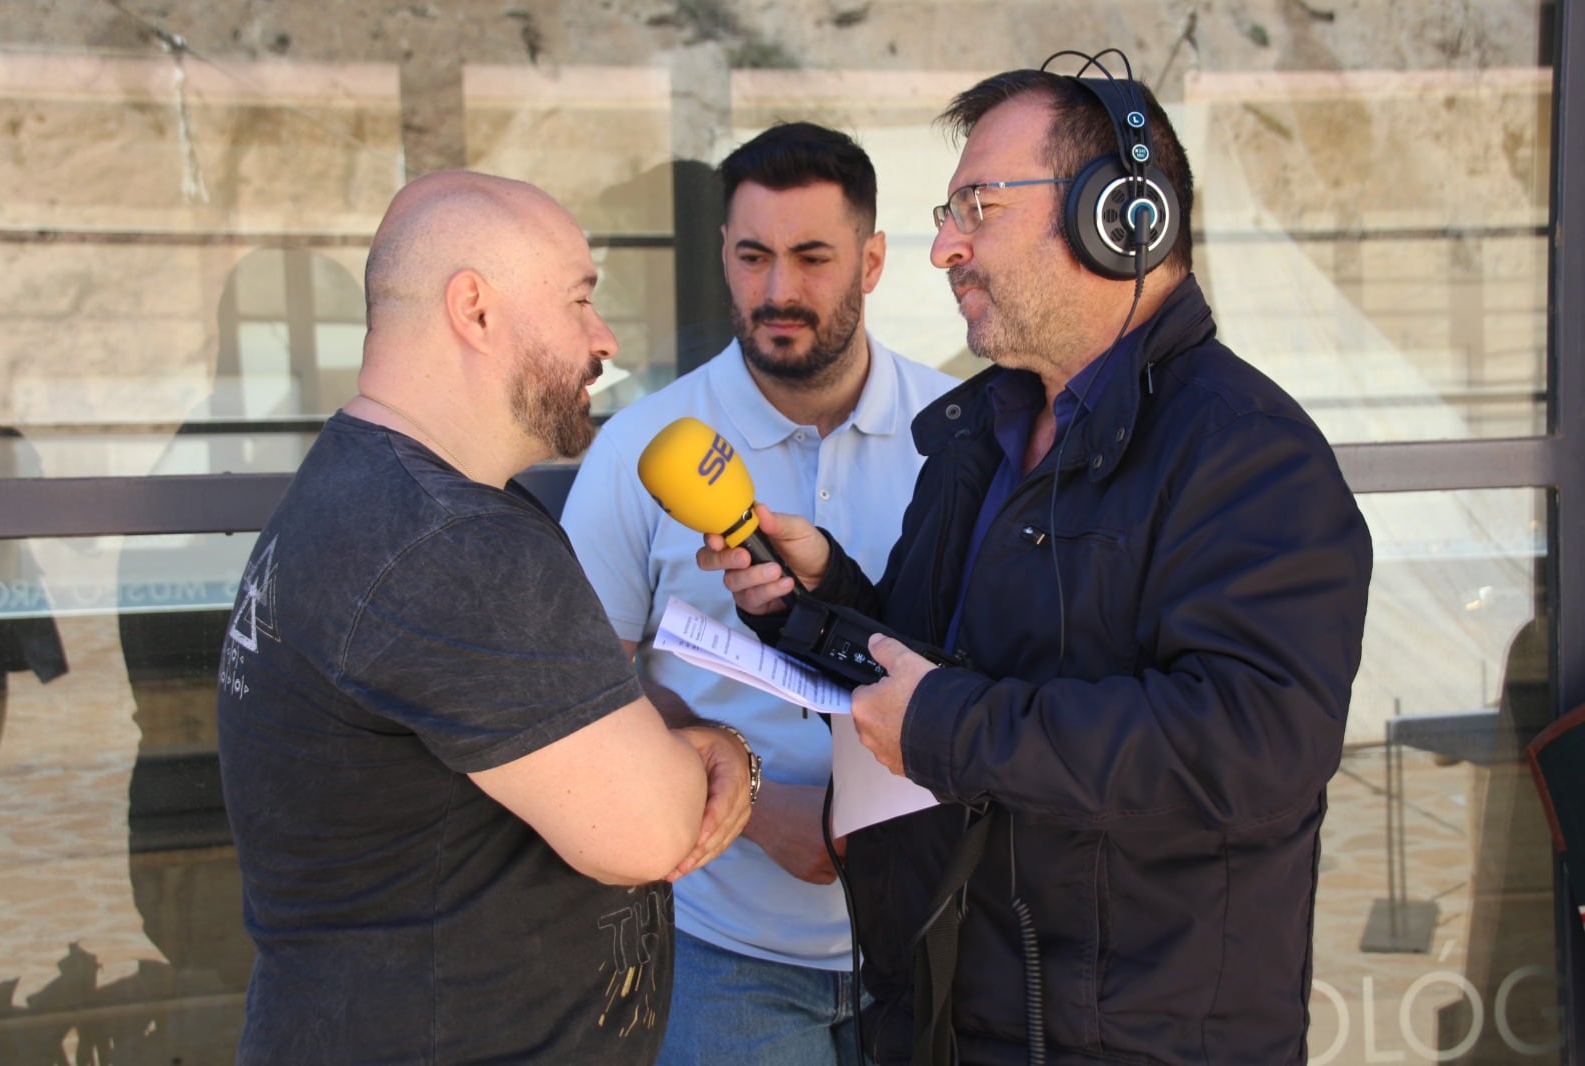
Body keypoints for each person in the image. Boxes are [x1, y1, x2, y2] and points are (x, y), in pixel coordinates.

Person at [702, 58, 1374, 1066]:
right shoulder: (985, 432)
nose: (942, 246)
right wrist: (818, 601)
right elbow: (940, 670)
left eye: (977, 204)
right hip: (949, 1016)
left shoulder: (1247, 453)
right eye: (947, 208)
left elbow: (1252, 743)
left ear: (1120, 219)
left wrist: (950, 725)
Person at [215, 170, 755, 1066]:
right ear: (473, 309)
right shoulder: (448, 544)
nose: (604, 338)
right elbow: (653, 832)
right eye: (581, 299)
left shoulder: (361, 489)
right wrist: (726, 753)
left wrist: (666, 740)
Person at [560, 121, 955, 1065]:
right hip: (721, 956)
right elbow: (579, 685)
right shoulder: (636, 449)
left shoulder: (960, 437)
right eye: (753, 256)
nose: (779, 290)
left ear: (872, 261)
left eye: (813, 257)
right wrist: (751, 800)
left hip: (936, 941)